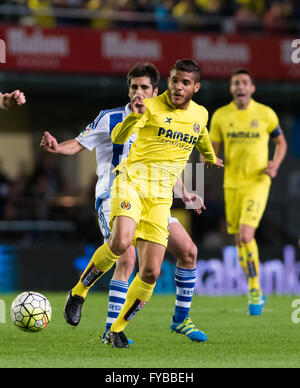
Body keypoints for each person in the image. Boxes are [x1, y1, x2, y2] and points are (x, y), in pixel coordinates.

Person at [40, 62, 214, 345]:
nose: (139, 92)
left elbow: (170, 159)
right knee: (126, 252)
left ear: (155, 90)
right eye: (134, 87)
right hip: (116, 192)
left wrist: (186, 191)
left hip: (157, 196)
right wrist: (58, 147)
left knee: (187, 251)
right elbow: (80, 143)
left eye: (145, 87)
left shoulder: (172, 114)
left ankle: (178, 319)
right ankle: (95, 311)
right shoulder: (110, 117)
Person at [209, 68, 287, 316]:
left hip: (257, 183)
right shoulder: (221, 116)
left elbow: (280, 142)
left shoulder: (265, 114)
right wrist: (208, 157)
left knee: (245, 234)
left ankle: (255, 288)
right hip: (231, 184)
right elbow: (211, 148)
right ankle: (255, 288)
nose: (240, 86)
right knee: (238, 240)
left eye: (244, 82)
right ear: (231, 89)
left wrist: (275, 163)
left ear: (252, 88)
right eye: (236, 83)